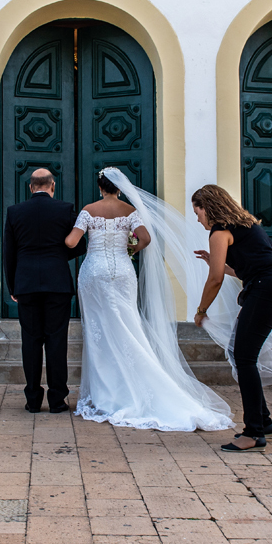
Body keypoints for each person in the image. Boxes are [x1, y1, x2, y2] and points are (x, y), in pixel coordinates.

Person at [64, 168, 232, 431]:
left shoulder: (88, 209)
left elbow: (72, 242)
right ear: (119, 188)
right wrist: (130, 248)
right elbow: (146, 238)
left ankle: (105, 394)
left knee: (98, 332)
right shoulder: (130, 211)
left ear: (100, 187)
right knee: (128, 327)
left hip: (93, 273)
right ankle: (137, 384)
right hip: (121, 271)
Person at [192, 185, 272, 451]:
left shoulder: (220, 231)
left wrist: (201, 310)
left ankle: (254, 433)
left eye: (198, 212)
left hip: (265, 289)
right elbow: (247, 270)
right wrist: (216, 263)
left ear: (208, 208)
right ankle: (264, 422)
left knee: (244, 357)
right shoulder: (246, 225)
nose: (197, 219)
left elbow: (215, 279)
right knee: (239, 353)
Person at [3, 169, 87, 413]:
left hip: (26, 284)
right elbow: (79, 244)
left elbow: (9, 252)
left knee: (30, 341)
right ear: (53, 186)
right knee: (56, 341)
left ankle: (32, 400)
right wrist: (58, 257)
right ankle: (57, 399)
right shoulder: (64, 209)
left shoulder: (15, 212)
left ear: (31, 187)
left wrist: (13, 286)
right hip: (57, 283)